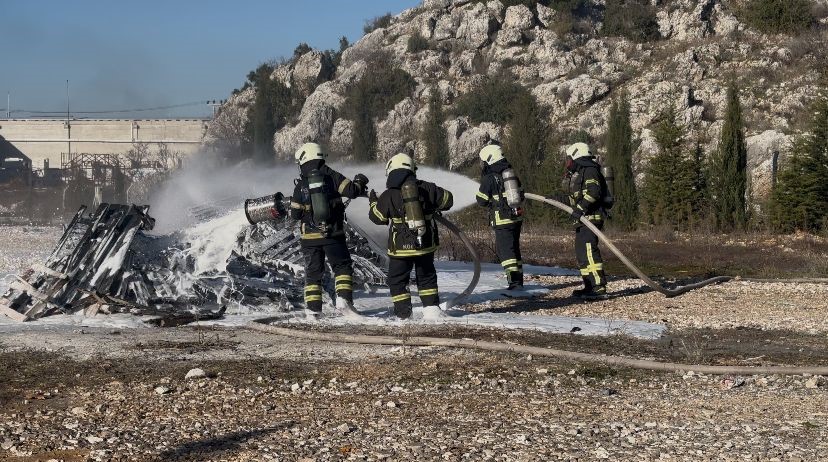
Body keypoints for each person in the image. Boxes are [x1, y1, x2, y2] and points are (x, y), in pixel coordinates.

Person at [368, 153, 454, 319]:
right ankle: (431, 310)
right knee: (427, 277)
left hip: (400, 250)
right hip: (425, 245)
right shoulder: (427, 187)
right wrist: (430, 202)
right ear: (412, 169)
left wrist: (373, 201)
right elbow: (448, 200)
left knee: (397, 280)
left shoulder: (388, 194)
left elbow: (377, 218)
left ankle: (404, 315)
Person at [289, 142, 369, 317]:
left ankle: (313, 310)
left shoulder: (301, 183)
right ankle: (344, 301)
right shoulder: (331, 175)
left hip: (309, 238)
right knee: (341, 266)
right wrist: (360, 181)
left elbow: (294, 214)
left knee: (313, 274)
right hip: (332, 233)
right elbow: (352, 191)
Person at [557, 142, 612, 298]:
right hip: (583, 220)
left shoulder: (590, 170)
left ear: (576, 155)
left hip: (591, 219)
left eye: (570, 159)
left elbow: (593, 193)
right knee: (582, 253)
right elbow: (576, 199)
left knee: (589, 251)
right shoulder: (582, 173)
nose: (568, 162)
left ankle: (598, 287)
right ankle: (589, 286)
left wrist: (580, 209)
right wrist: (554, 199)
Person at [475, 144, 525, 290]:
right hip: (516, 218)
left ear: (489, 159)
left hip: (502, 220)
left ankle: (514, 284)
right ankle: (519, 282)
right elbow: (521, 193)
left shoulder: (489, 178)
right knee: (514, 249)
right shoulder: (511, 173)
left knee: (506, 252)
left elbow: (481, 200)